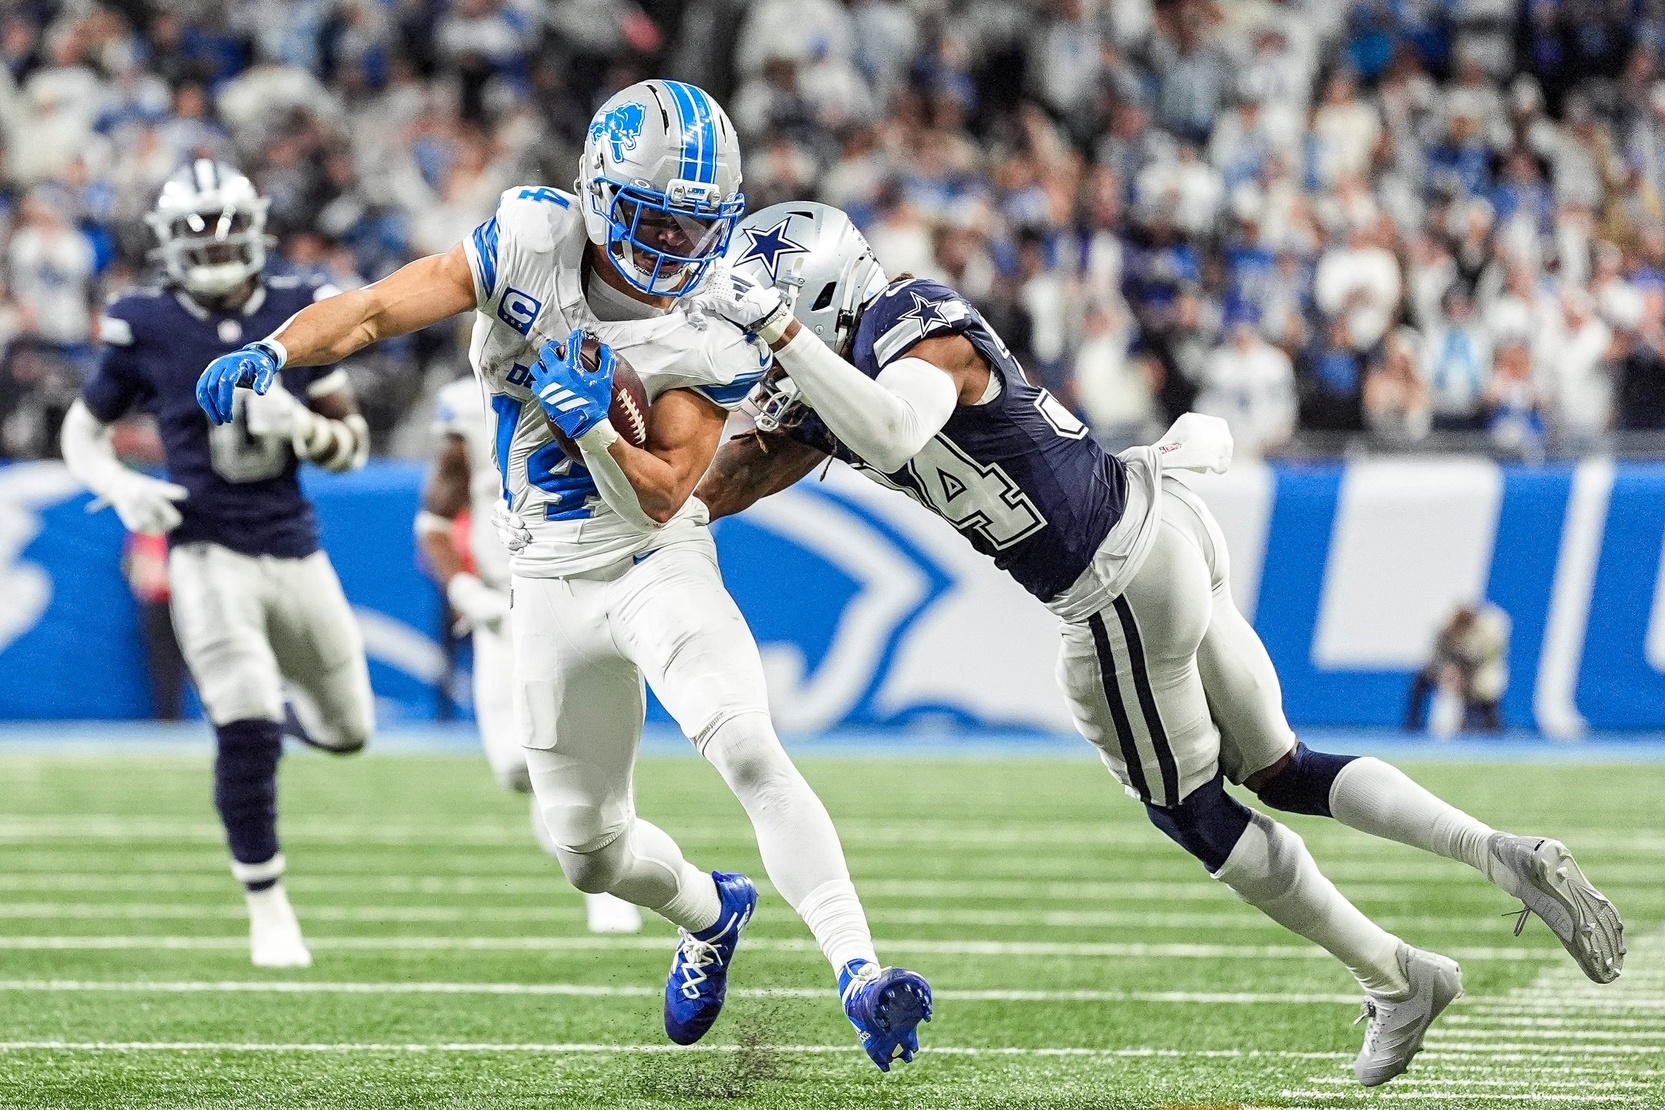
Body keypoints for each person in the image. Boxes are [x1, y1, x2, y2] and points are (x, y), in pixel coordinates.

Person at [694, 201, 1626, 1088]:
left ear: (806, 293)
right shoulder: (832, 378)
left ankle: (1394, 977)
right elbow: (713, 486)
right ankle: (1495, 850)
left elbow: (895, 424)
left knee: (1194, 814)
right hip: (1157, 530)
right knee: (1281, 768)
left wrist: (779, 334)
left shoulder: (908, 318)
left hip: (1111, 582)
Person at [192, 82, 929, 1070]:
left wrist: (587, 422)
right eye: (654, 217)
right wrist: (274, 350)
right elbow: (372, 311)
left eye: (694, 223)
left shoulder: (715, 323)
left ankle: (861, 973)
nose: (672, 243)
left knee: (745, 742)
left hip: (652, 561)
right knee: (586, 851)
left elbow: (666, 497)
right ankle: (713, 915)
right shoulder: (528, 238)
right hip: (542, 578)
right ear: (595, 191)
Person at [59, 160, 375, 968]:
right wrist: (118, 487)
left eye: (221, 225)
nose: (209, 243)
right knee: (244, 722)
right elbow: (80, 431)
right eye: (193, 229)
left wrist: (301, 428)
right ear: (168, 241)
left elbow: (353, 446)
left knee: (348, 732)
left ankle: (287, 716)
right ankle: (267, 907)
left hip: (294, 545)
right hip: (204, 549)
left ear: (254, 229)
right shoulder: (144, 320)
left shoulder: (295, 305)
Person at [416, 374, 642, 935]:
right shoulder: (467, 408)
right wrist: (464, 591)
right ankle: (594, 855)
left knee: (589, 749)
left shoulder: (606, 381)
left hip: (586, 585)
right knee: (518, 768)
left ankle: (612, 880)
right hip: (504, 603)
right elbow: (434, 522)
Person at [1404, 604, 1510, 735]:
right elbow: (1436, 657)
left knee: (1485, 690)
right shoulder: (1443, 628)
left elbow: (1489, 658)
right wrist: (1446, 671)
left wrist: (1465, 674)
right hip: (1449, 667)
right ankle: (1412, 724)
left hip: (1477, 669)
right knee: (1421, 679)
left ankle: (1490, 728)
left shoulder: (1488, 630)